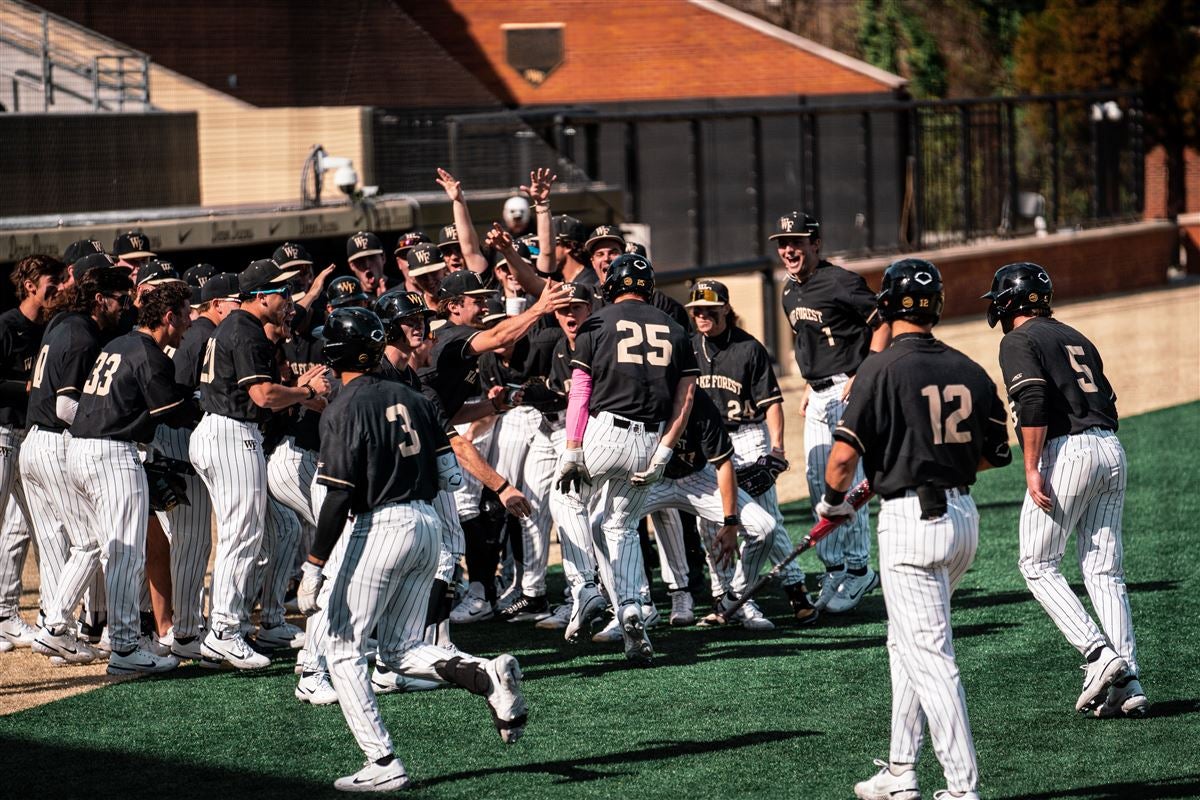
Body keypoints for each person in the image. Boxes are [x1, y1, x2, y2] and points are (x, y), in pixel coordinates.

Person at [296, 307, 527, 793]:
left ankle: (383, 762)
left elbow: (338, 493)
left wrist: (314, 565)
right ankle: (485, 675)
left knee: (341, 650)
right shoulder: (412, 394)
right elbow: (450, 474)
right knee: (401, 650)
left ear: (335, 352)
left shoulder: (342, 405)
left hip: (380, 524)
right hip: (427, 524)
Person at [819, 259, 1011, 800]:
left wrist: (834, 503)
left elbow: (839, 462)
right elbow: (996, 454)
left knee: (930, 656)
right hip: (962, 522)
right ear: (937, 306)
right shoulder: (970, 367)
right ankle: (901, 771)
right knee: (905, 644)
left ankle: (961, 788)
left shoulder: (878, 367)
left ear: (886, 305)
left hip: (910, 526)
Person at [983, 261, 1146, 717]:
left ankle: (1098, 656)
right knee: (1103, 570)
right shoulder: (1076, 336)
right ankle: (1127, 680)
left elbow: (1031, 400)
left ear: (1009, 301)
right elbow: (1108, 401)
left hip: (1066, 452)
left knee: (1036, 564)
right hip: (1110, 446)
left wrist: (1032, 467)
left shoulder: (1018, 340)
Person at [555, 253, 698, 665]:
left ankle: (583, 587)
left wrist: (572, 447)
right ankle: (632, 607)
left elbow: (580, 391)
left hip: (604, 431)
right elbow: (684, 398)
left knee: (565, 499)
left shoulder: (596, 324)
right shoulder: (674, 327)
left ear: (611, 285)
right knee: (620, 525)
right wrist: (666, 449)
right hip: (651, 440)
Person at [189, 258, 330, 670]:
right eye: (281, 292)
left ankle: (239, 627)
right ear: (259, 296)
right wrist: (304, 390)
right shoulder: (245, 330)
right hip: (231, 433)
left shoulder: (236, 325)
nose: (287, 299)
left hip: (222, 430)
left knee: (253, 532)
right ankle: (224, 632)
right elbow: (264, 397)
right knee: (242, 535)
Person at [63, 282, 199, 674]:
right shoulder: (149, 352)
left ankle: (115, 637)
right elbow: (171, 410)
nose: (191, 320)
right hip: (111, 452)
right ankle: (123, 647)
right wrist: (201, 402)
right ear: (169, 317)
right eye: (187, 313)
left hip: (81, 449)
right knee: (124, 552)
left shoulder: (118, 343)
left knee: (108, 548)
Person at [776, 211, 889, 613]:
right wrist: (810, 383)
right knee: (817, 481)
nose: (789, 249)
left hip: (847, 389)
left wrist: (867, 371)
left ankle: (859, 569)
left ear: (815, 244)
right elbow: (812, 341)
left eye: (797, 242)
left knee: (848, 478)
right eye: (783, 243)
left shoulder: (841, 281)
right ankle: (835, 566)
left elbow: (882, 322)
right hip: (820, 392)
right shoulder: (789, 290)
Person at [687, 279, 818, 624]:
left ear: (726, 309)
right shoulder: (689, 348)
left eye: (710, 309)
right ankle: (723, 596)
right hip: (707, 445)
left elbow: (772, 404)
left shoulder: (748, 348)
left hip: (747, 437)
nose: (703, 315)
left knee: (765, 519)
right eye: (697, 310)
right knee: (710, 522)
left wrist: (776, 449)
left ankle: (794, 588)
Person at [23, 261, 133, 665]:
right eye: (121, 299)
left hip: (34, 444)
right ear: (99, 299)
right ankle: (54, 629)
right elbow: (66, 404)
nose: (125, 306)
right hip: (55, 442)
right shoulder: (82, 332)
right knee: (89, 541)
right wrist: (105, 425)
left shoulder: (61, 323)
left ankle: (59, 636)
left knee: (59, 548)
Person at [155, 273, 241, 660]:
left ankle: (186, 626)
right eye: (237, 300)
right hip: (177, 442)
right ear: (219, 304)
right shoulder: (204, 334)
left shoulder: (198, 333)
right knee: (192, 543)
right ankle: (187, 631)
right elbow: (179, 395)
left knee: (186, 543)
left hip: (169, 442)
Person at [0, 255, 66, 649]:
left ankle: (9, 616)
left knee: (24, 526)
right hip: (3, 431)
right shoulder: (7, 325)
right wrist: (26, 388)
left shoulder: (49, 327)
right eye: (51, 280)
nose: (58, 286)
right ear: (30, 285)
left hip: (31, 437)